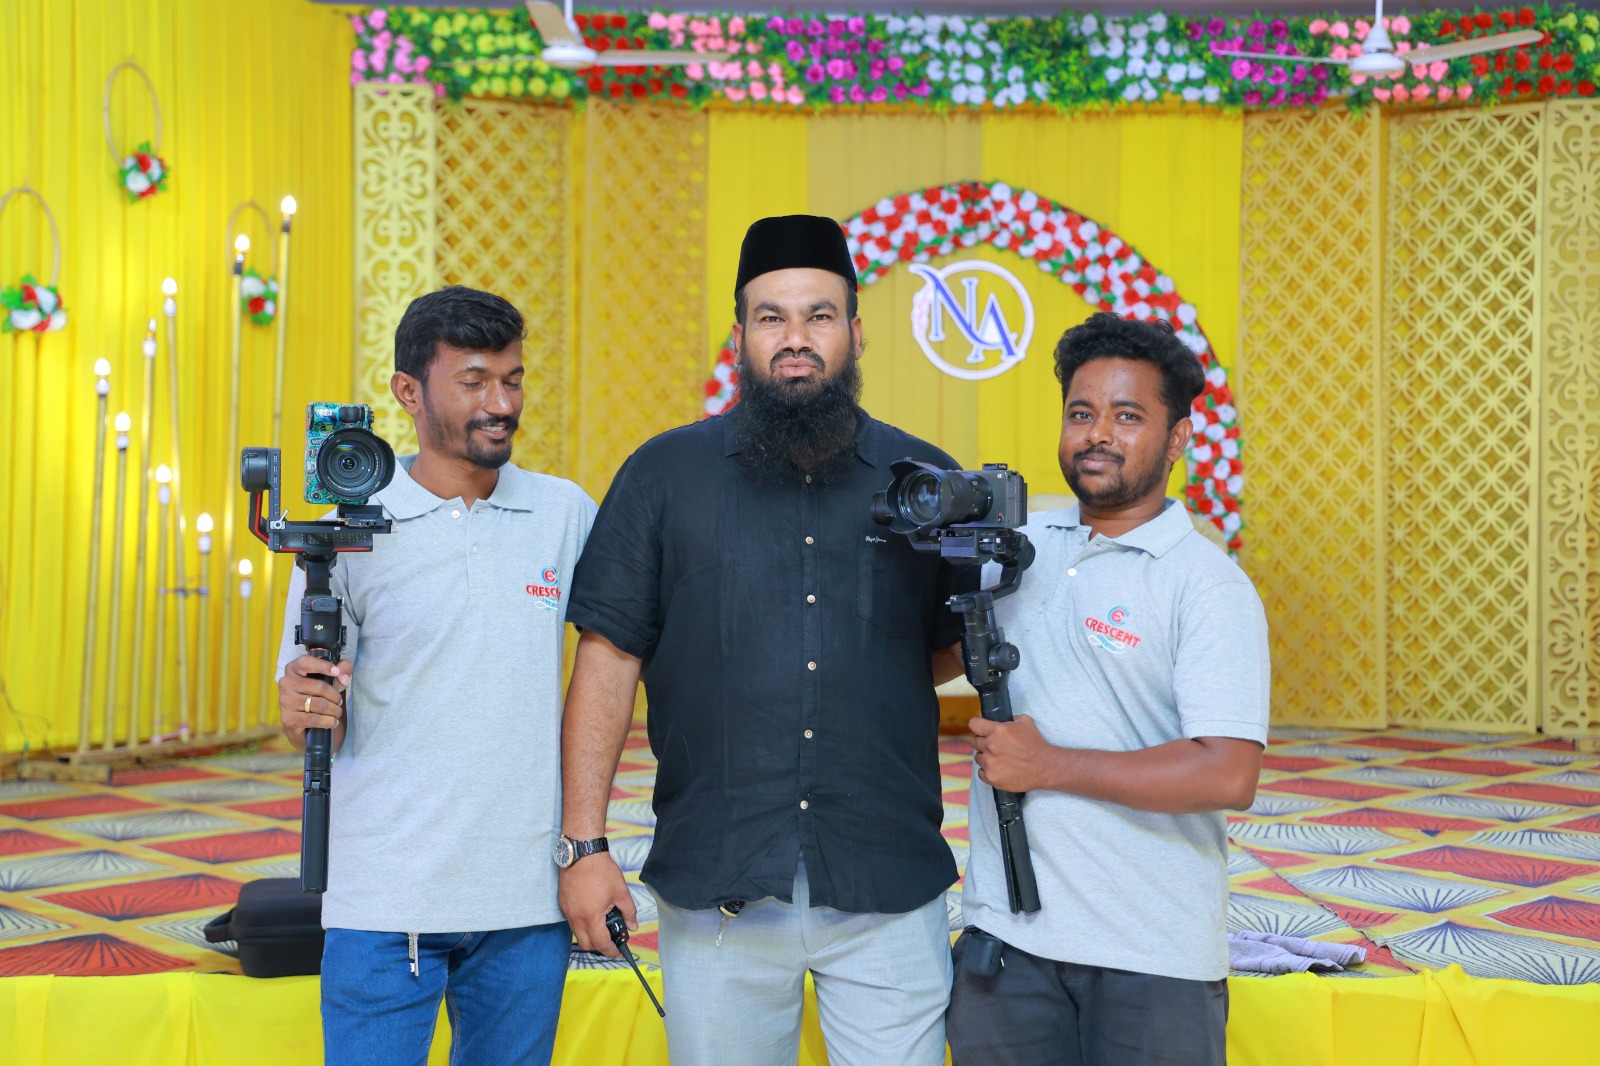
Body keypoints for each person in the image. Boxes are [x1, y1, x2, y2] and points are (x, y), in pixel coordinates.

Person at [558, 215, 973, 1066]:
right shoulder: (664, 475)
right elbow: (608, 659)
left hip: (885, 879)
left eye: (819, 316)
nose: (796, 340)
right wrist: (585, 845)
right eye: (771, 317)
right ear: (741, 334)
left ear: (856, 332)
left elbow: (943, 649)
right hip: (720, 881)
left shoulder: (925, 481)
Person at [274, 286, 596, 1066]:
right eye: (474, 381)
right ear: (408, 391)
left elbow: (616, 669)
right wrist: (303, 708)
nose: (501, 404)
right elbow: (309, 716)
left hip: (526, 901)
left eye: (512, 380)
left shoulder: (564, 514)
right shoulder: (345, 529)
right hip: (383, 900)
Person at [945, 312, 1270, 1066]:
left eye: (1127, 416)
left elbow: (1229, 773)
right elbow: (923, 656)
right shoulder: (1016, 554)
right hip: (1007, 945)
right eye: (1081, 413)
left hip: (1151, 954)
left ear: (1178, 438)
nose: (1097, 434)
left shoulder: (1207, 586)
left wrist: (1050, 765)